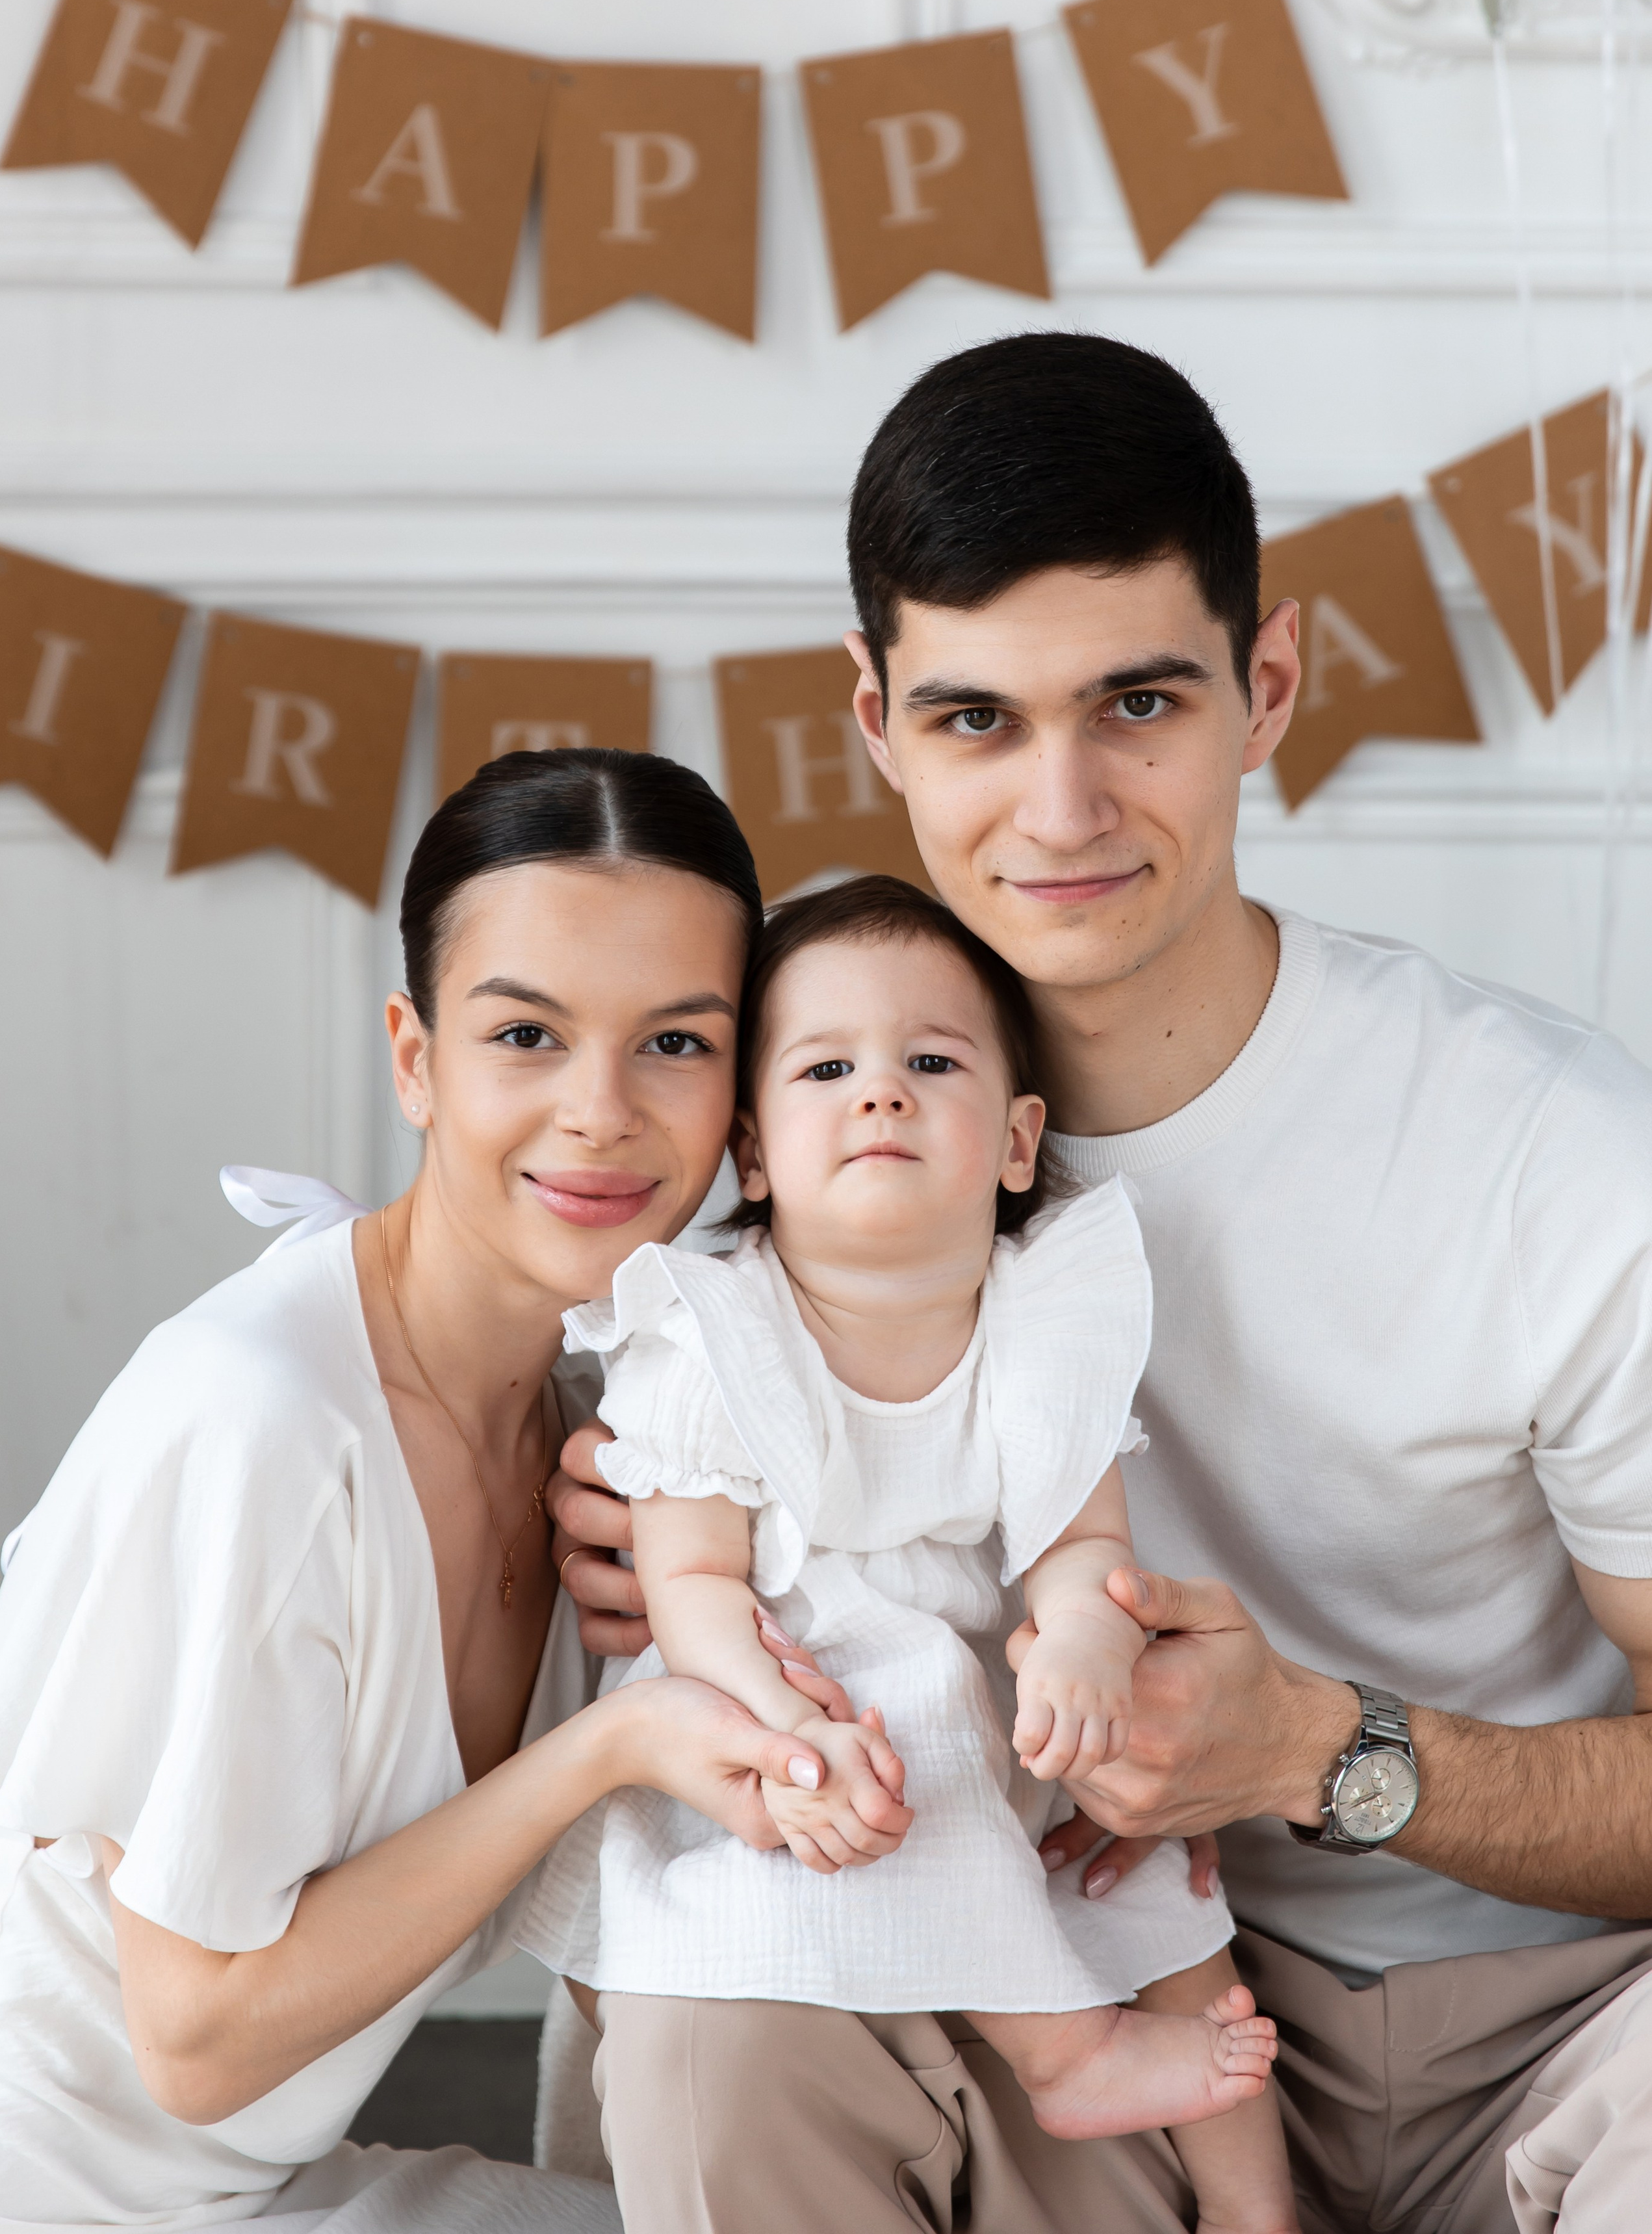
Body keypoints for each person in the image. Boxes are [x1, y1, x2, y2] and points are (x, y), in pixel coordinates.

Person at [548, 335, 1652, 2234]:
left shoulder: (1552, 1155)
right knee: (708, 2040)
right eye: (977, 718)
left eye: (1136, 702)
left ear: (1266, 685)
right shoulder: (774, 1112)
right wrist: (631, 1519)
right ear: (877, 719)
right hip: (1043, 1983)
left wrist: (1320, 1752)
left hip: (1563, 2017)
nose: (1059, 810)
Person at [0, 747, 832, 2233]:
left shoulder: (602, 1433)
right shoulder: (263, 1423)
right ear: (414, 1058)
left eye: (675, 1043)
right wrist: (609, 1747)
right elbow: (195, 2042)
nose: (600, 1111)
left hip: (267, 2188)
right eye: (525, 1034)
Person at [521, 876, 1287, 2230]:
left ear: (1015, 1139)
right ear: (755, 1155)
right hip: (786, 1694)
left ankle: (1254, 2211)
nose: (880, 1091)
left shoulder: (1045, 1317)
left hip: (996, 1694)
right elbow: (687, 1585)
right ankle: (1067, 2056)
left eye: (930, 1063)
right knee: (912, 1716)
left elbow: (1078, 1543)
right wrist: (774, 1717)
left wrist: (1087, 1642)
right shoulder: (712, 1333)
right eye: (827, 1070)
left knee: (1167, 1897)